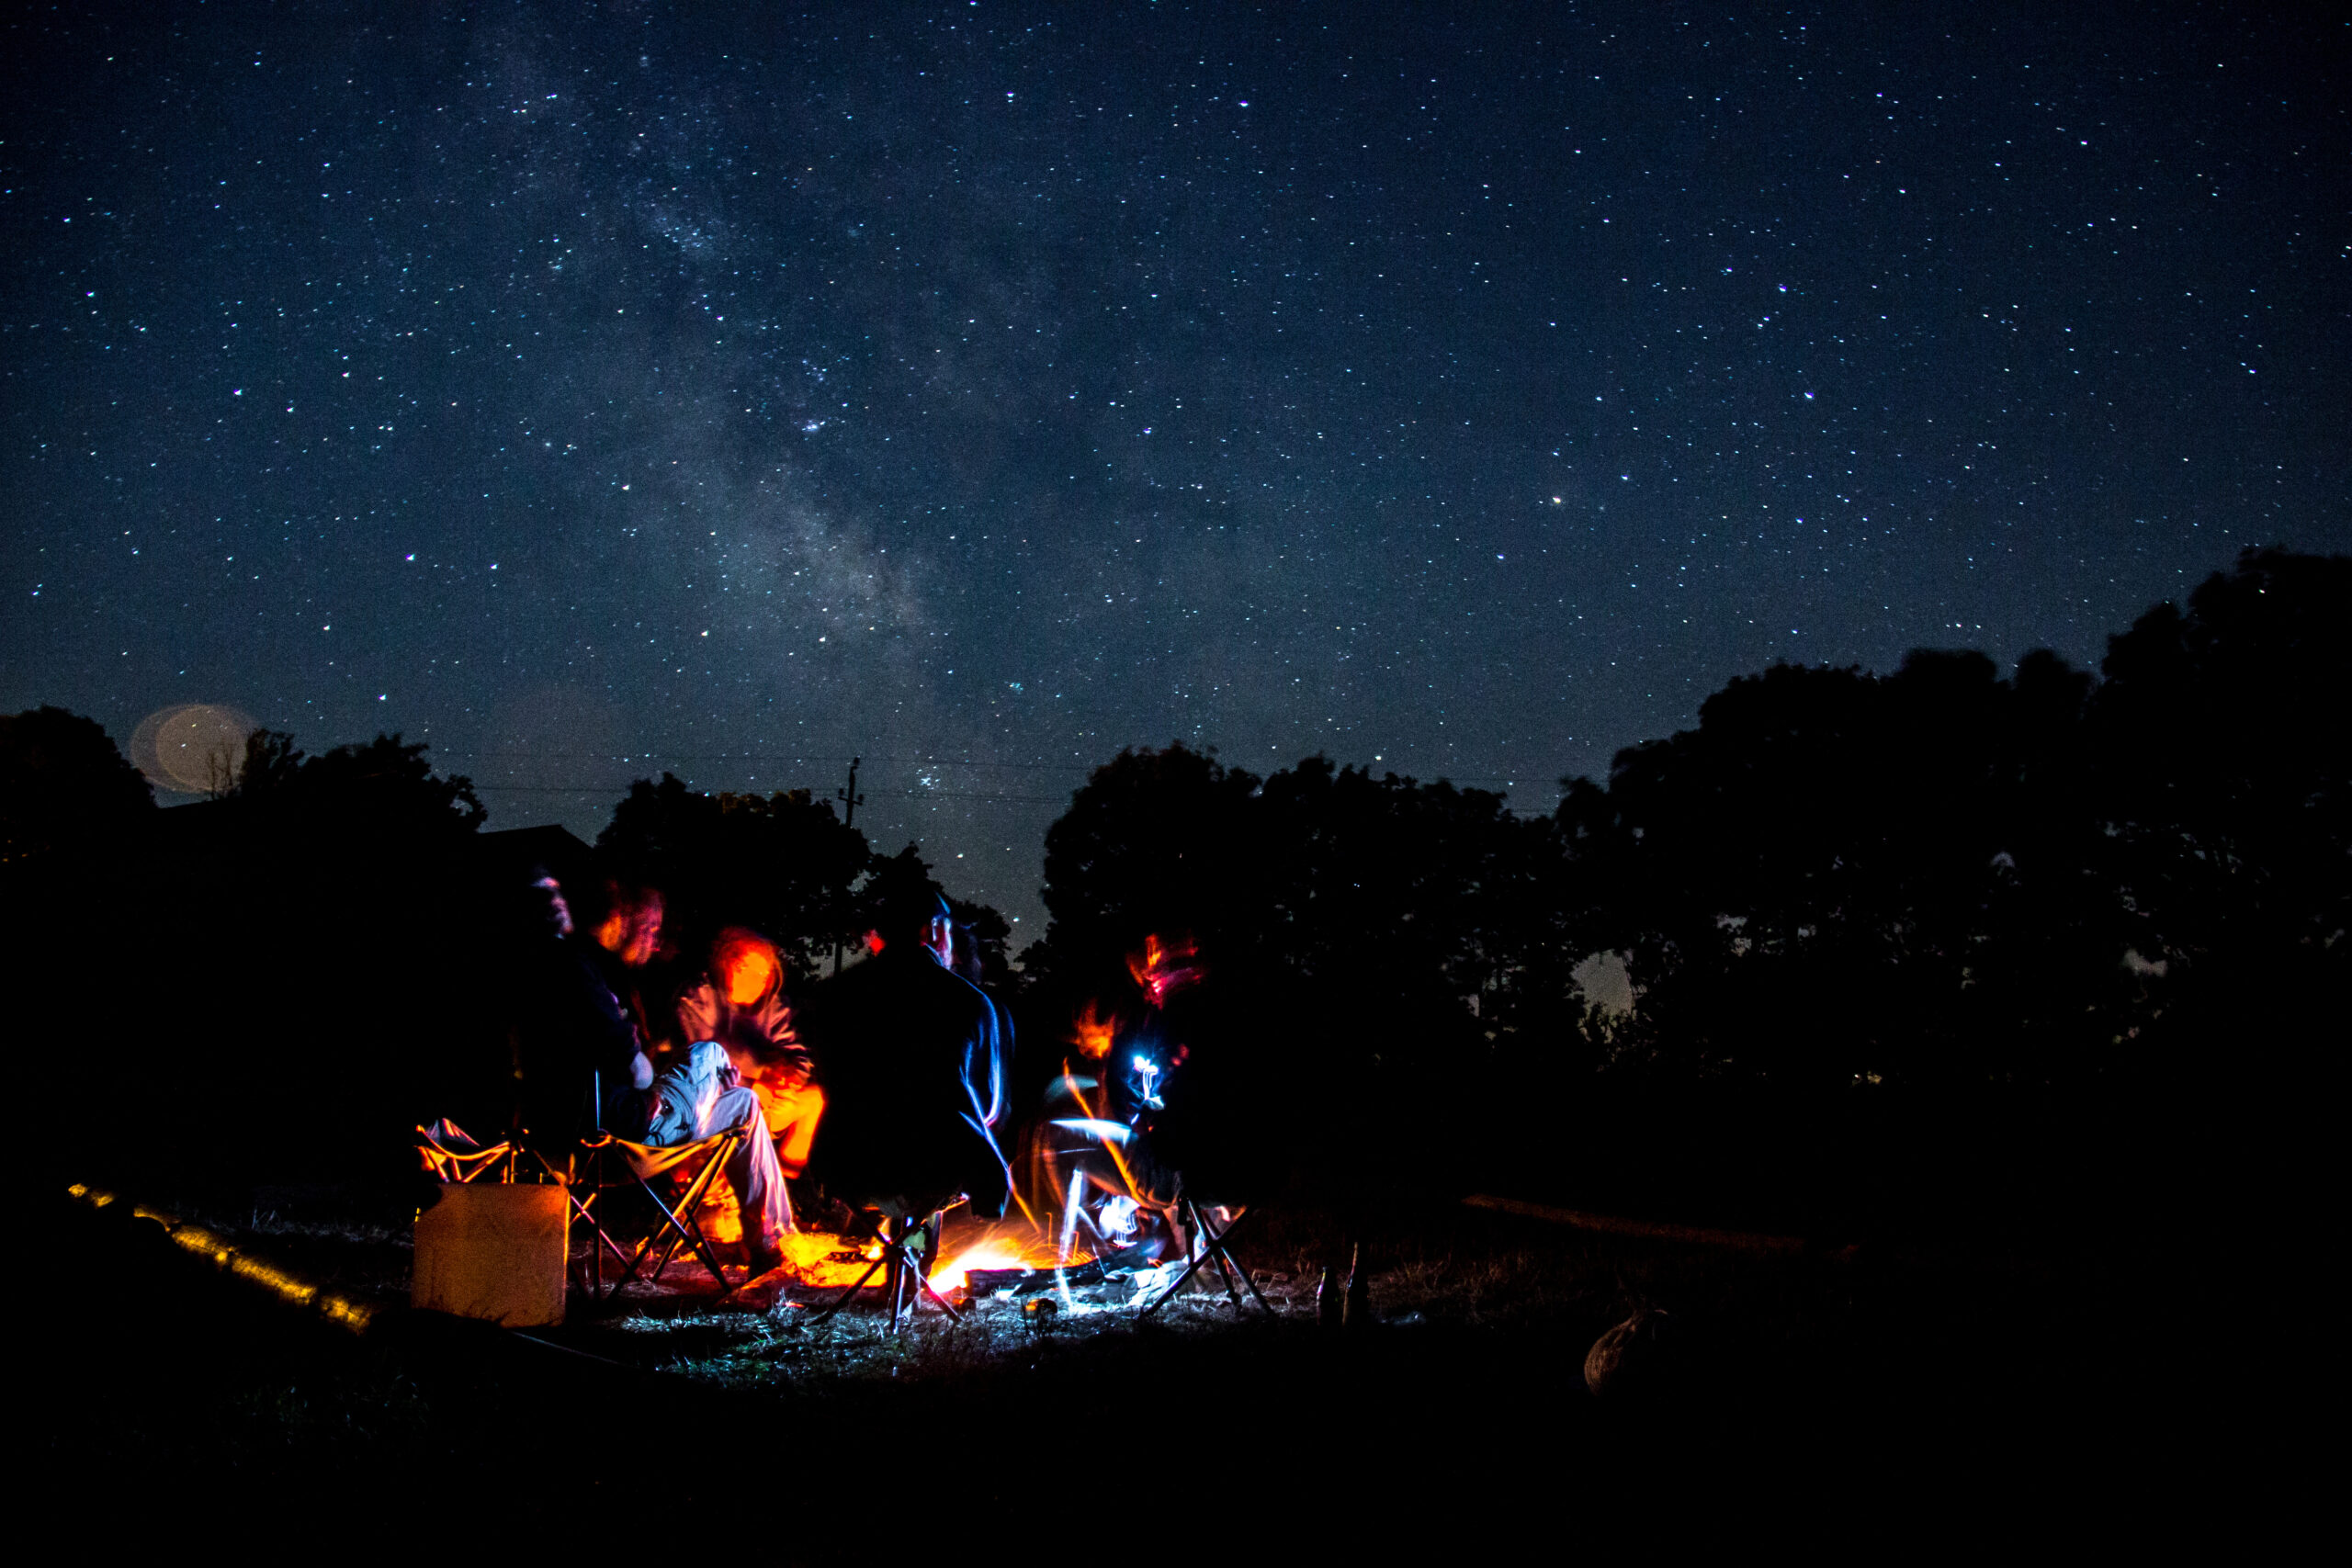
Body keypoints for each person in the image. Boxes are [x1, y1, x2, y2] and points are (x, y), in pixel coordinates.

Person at [798, 886, 1012, 1219]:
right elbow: (985, 1106)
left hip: (842, 1165)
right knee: (951, 1141)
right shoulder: (969, 1002)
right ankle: (913, 1262)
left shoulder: (833, 996)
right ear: (935, 930)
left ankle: (896, 1253)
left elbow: (827, 1080)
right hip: (929, 1171)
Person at [676, 926, 827, 1180]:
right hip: (708, 1105)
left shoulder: (772, 1008)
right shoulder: (698, 998)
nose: (759, 980)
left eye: (764, 974)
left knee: (813, 1099)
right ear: (728, 965)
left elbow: (799, 1057)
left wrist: (787, 1083)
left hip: (765, 1104)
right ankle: (705, 1180)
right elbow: (697, 1065)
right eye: (749, 971)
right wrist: (751, 1085)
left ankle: (787, 1184)